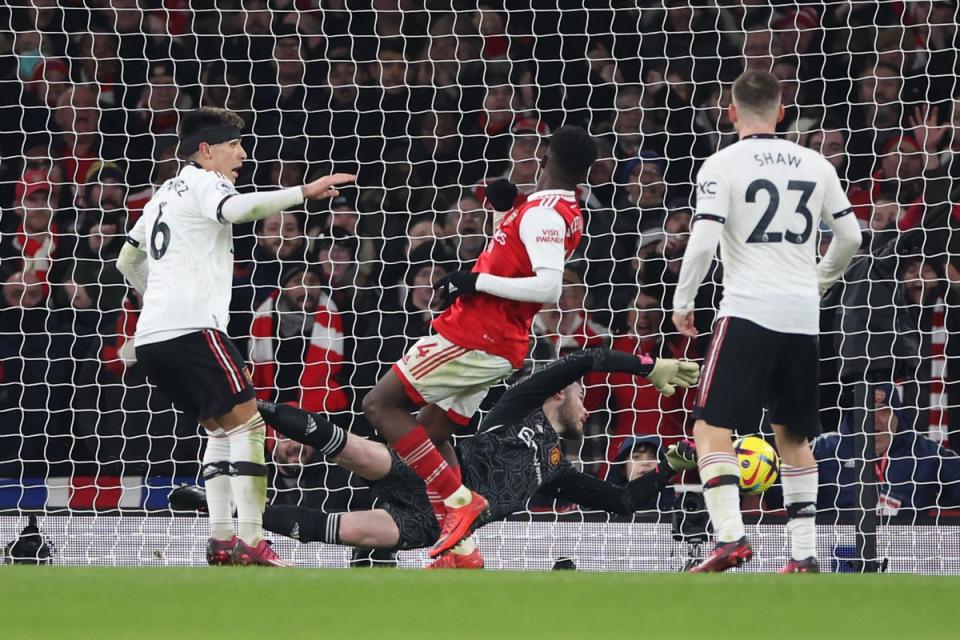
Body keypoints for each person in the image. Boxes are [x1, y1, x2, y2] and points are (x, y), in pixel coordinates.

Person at [172, 348, 700, 568]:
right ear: (558, 396)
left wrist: (671, 470)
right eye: (583, 397)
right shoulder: (517, 409)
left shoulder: (558, 467)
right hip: (439, 478)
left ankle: (220, 514)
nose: (589, 410)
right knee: (350, 446)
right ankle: (246, 404)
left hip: (431, 524)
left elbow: (625, 501)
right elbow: (581, 360)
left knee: (340, 530)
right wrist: (645, 366)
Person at [116, 107, 354, 567]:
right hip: (191, 327)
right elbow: (236, 210)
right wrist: (304, 191)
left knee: (221, 428)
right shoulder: (208, 182)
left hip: (152, 338)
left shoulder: (162, 194)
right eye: (234, 146)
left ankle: (222, 539)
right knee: (249, 426)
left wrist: (159, 298)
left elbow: (127, 262)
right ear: (206, 150)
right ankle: (249, 539)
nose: (242, 155)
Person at [361, 125, 598, 559]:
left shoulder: (545, 215)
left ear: (544, 157)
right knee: (431, 435)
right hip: (494, 341)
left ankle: (459, 503)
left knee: (380, 405)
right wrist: (506, 209)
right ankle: (460, 549)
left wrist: (474, 280)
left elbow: (547, 287)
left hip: (474, 336)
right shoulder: (548, 207)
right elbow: (517, 258)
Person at [671, 70, 862, 573]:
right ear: (782, 112)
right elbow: (852, 238)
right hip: (801, 316)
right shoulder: (816, 163)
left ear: (730, 111)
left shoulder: (721, 164)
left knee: (710, 425)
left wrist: (683, 300)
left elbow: (704, 239)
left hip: (749, 310)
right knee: (794, 437)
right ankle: (804, 553)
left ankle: (731, 537)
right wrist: (818, 281)